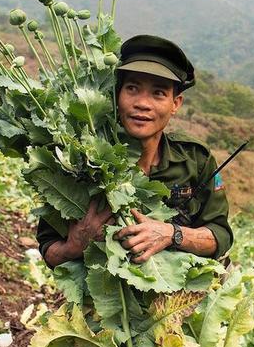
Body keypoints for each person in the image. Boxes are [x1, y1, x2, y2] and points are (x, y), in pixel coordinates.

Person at [36, 34, 233, 268]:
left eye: (158, 93)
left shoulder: (196, 159)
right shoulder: (82, 163)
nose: (142, 103)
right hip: (109, 298)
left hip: (181, 296)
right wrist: (74, 246)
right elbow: (49, 250)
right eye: (132, 88)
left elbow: (220, 234)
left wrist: (172, 234)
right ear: (117, 95)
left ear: (176, 103)